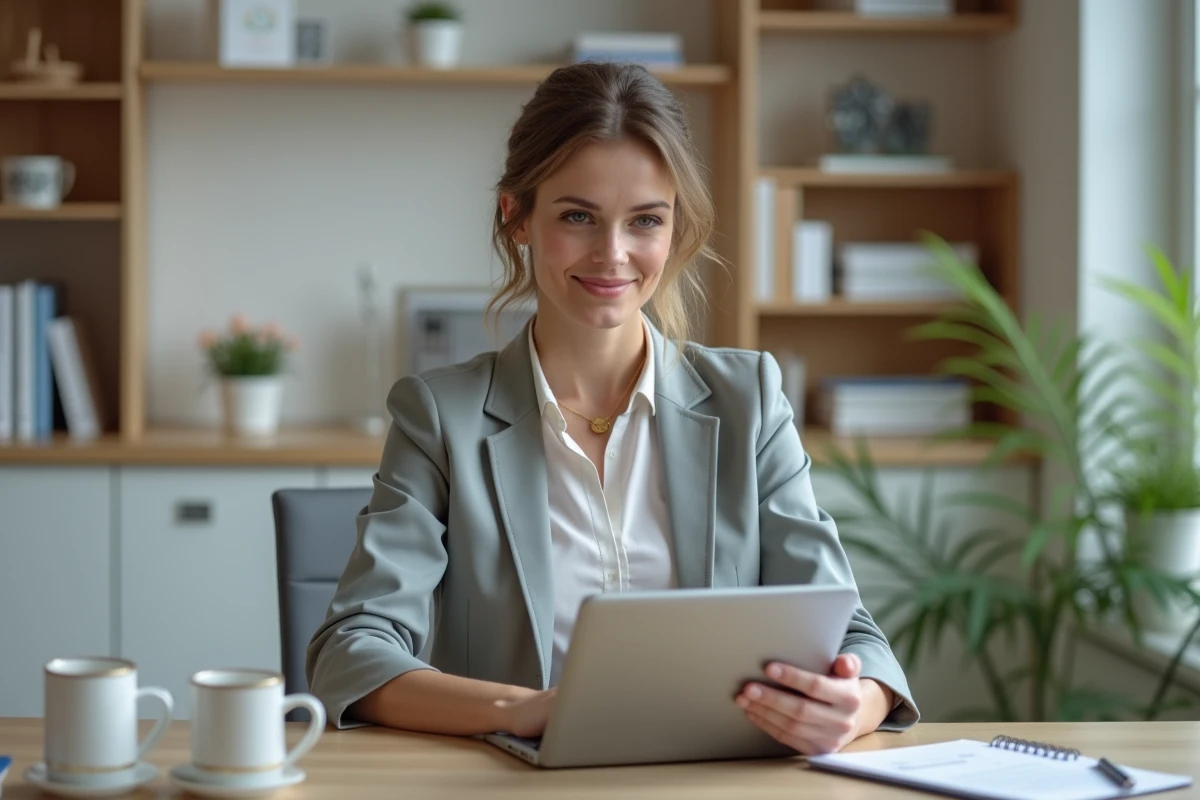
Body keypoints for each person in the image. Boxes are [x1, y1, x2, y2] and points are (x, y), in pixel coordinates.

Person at [306, 61, 919, 756]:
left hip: (716, 780)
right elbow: (351, 651)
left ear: (674, 227)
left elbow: (851, 635)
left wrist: (856, 702)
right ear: (517, 217)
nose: (613, 255)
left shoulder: (749, 400)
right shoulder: (440, 417)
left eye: (645, 221)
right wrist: (528, 708)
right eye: (578, 216)